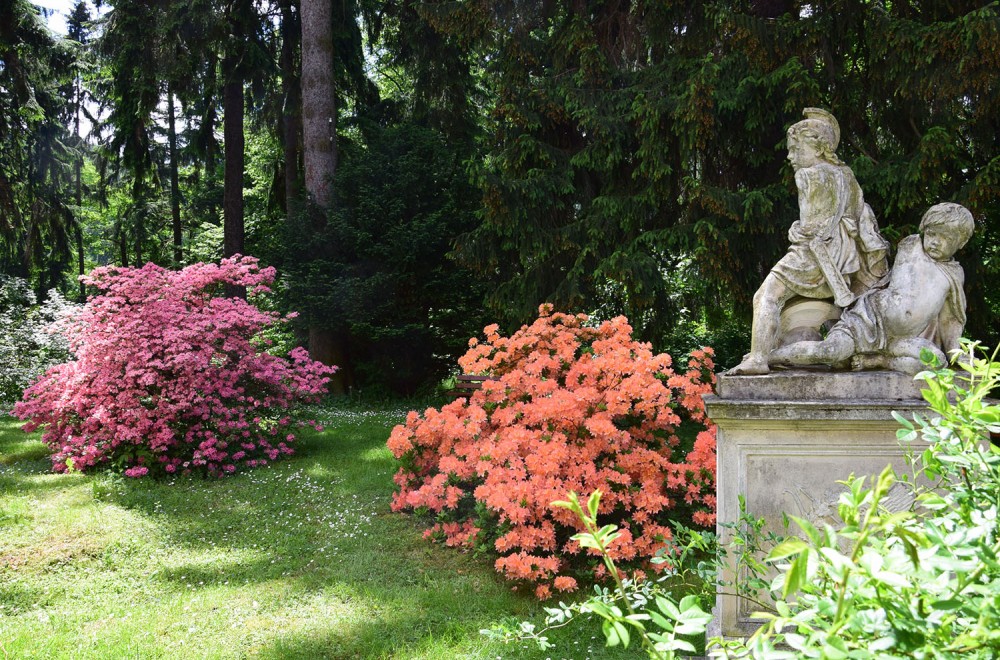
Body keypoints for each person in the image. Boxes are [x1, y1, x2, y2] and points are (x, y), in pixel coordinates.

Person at [728, 108, 888, 375]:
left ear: (818, 147)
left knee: (766, 295)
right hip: (842, 253)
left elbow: (811, 226)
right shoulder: (844, 174)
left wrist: (798, 230)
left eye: (795, 149)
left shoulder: (808, 175)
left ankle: (758, 358)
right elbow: (848, 215)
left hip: (814, 254)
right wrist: (799, 227)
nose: (790, 156)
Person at [770, 202, 974, 375]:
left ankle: (879, 361)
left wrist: (955, 351)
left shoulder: (954, 275)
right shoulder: (912, 245)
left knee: (935, 362)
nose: (936, 242)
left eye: (946, 238)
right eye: (931, 234)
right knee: (829, 351)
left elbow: (950, 319)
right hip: (868, 321)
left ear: (962, 242)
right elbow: (869, 245)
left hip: (902, 341)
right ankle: (768, 357)